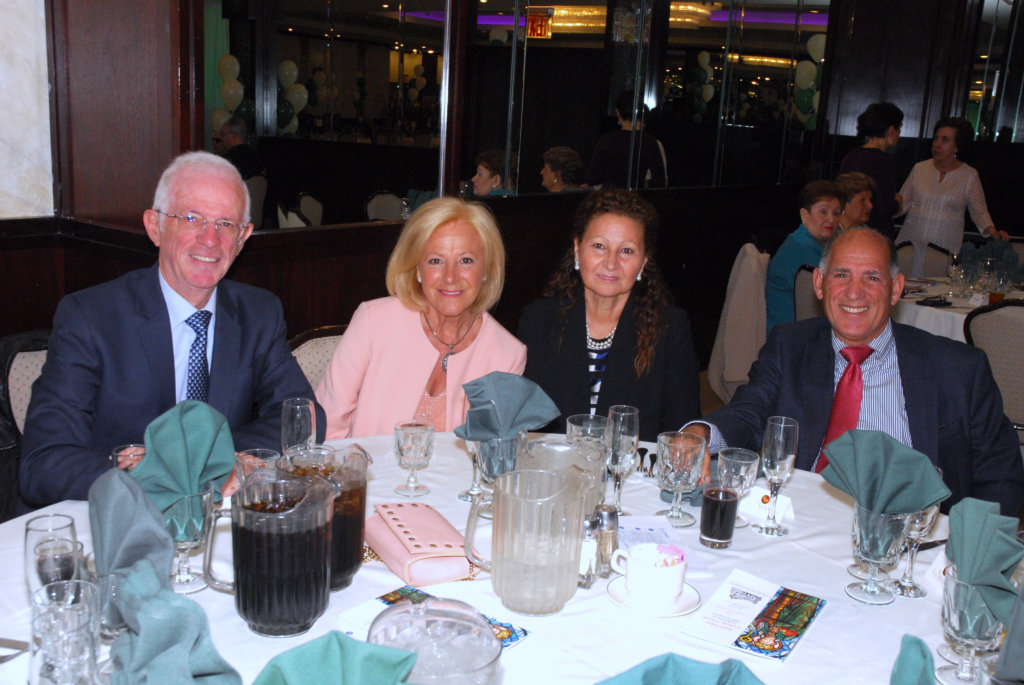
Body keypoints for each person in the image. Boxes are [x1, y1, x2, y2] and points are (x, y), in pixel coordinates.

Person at [19, 151, 324, 507]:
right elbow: (44, 464)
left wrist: (204, 460)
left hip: (219, 517)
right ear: (155, 227)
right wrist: (160, 473)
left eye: (226, 224)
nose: (210, 239)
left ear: (243, 237)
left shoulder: (258, 313)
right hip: (118, 519)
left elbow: (305, 417)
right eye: (192, 218)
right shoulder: (91, 318)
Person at [686, 228, 1024, 516]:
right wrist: (702, 432)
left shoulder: (956, 368)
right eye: (841, 275)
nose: (854, 292)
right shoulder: (790, 346)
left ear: (896, 288)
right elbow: (749, 413)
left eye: (872, 278)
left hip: (905, 537)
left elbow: (1000, 475)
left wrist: (975, 550)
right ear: (819, 283)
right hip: (799, 523)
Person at [316, 197, 526, 438]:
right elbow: (325, 429)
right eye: (436, 260)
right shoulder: (373, 322)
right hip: (363, 463)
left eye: (466, 260)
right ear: (417, 268)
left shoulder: (506, 355)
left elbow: (493, 451)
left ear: (486, 269)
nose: (450, 276)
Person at [517, 189, 699, 442]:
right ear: (577, 249)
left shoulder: (669, 328)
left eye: (627, 251)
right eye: (599, 246)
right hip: (553, 464)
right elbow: (520, 421)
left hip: (634, 466)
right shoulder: (538, 320)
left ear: (644, 262)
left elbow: (685, 425)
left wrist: (692, 434)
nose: (611, 263)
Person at [897, 117, 1010, 276]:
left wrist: (994, 233)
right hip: (910, 245)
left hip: (945, 249)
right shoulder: (920, 168)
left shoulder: (969, 175)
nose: (937, 144)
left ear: (957, 146)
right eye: (936, 138)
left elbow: (979, 212)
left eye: (945, 140)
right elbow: (901, 203)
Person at [765, 180, 843, 332]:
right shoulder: (801, 247)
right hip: (791, 336)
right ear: (805, 215)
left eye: (836, 213)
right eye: (823, 212)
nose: (831, 219)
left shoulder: (815, 243)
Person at [838, 102, 903, 239]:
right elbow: (886, 207)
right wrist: (898, 201)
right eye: (899, 129)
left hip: (847, 228)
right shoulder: (884, 161)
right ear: (891, 130)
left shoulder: (852, 155)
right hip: (873, 233)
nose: (899, 134)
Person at [585, 90, 668, 189]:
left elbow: (592, 178)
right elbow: (660, 182)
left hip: (611, 195)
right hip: (637, 196)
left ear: (618, 112)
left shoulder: (607, 140)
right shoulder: (653, 143)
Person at [213, 116, 260, 180]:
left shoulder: (227, 163)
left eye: (223, 134)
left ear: (233, 135)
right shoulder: (256, 157)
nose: (222, 138)